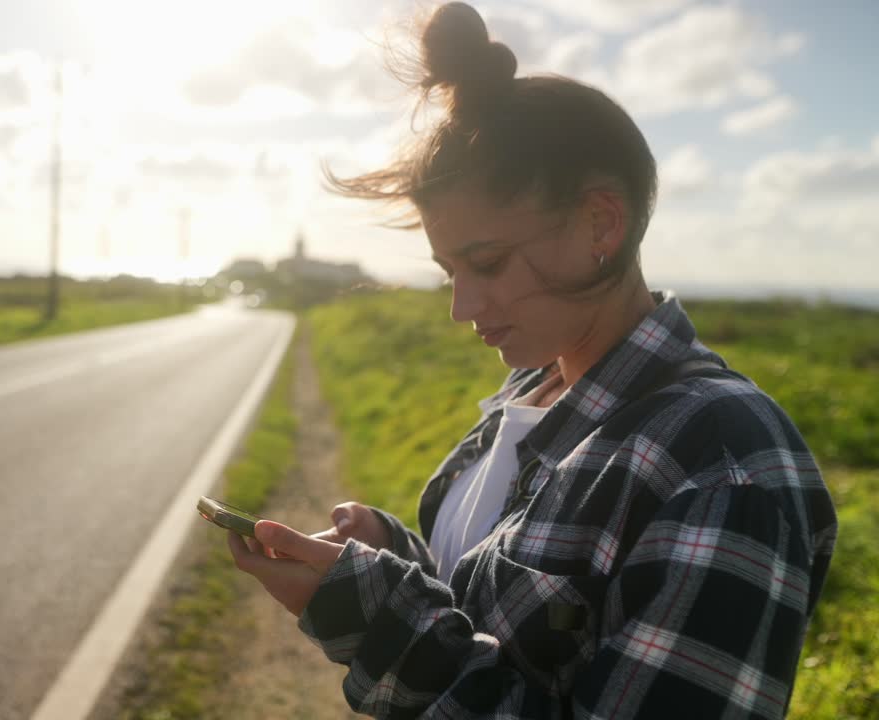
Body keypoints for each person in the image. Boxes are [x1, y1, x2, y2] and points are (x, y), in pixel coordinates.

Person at [227, 3, 837, 718]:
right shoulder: (536, 385)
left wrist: (378, 622)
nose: (461, 306)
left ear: (600, 222)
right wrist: (390, 561)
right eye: (450, 269)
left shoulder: (724, 464)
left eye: (486, 263)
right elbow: (501, 633)